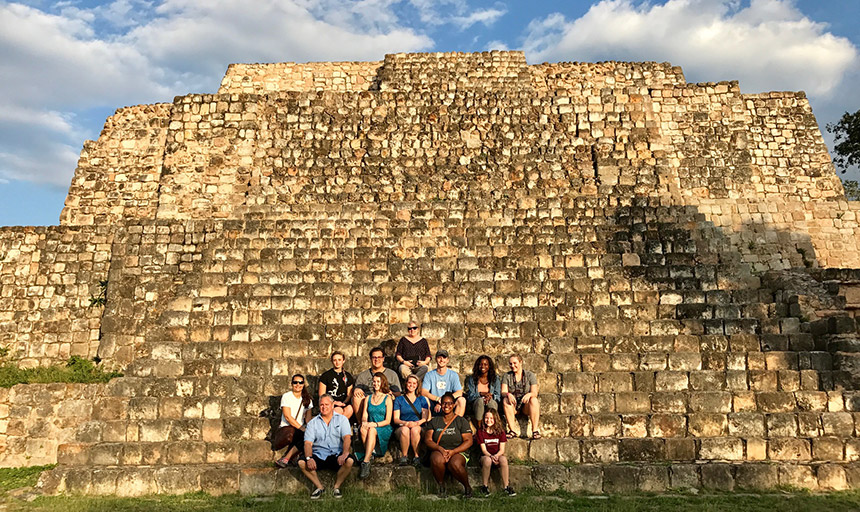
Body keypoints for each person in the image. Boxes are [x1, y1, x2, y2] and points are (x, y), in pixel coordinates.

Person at [297, 394, 354, 499]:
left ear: (332, 405)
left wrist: (345, 453)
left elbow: (347, 438)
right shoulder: (312, 423)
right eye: (321, 405)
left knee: (349, 461)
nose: (324, 407)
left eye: (327, 404)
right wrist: (309, 458)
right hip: (319, 454)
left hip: (336, 454)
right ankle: (319, 487)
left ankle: (336, 487)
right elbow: (308, 443)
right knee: (301, 462)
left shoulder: (342, 419)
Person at [423, 392, 474, 498]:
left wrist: (453, 451)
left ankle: (467, 487)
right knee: (437, 459)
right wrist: (440, 449)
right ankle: (441, 486)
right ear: (440, 404)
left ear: (454, 404)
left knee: (454, 463)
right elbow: (428, 440)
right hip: (439, 450)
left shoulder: (461, 421)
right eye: (444, 403)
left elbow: (469, 440)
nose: (447, 406)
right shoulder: (435, 421)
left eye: (450, 403)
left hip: (458, 451)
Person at [358, 372, 394, 479]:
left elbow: (388, 420)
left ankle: (366, 461)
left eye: (378, 381)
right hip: (371, 424)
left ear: (382, 383)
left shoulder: (387, 398)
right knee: (363, 429)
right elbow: (365, 414)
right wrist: (364, 422)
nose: (376, 384)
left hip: (383, 427)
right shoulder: (368, 398)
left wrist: (375, 424)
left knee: (372, 430)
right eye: (374, 381)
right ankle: (371, 454)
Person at [273, 373, 314, 467]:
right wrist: (302, 428)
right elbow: (288, 417)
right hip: (288, 427)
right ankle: (289, 458)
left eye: (300, 382)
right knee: (303, 435)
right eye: (295, 382)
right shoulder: (287, 397)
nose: (298, 385)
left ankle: (286, 458)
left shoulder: (308, 400)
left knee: (309, 436)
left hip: (300, 428)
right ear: (291, 384)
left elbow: (308, 419)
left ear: (303, 384)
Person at [476, 409, 516, 496]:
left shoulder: (500, 432)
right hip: (486, 455)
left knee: (504, 460)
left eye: (491, 418)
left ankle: (506, 486)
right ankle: (484, 486)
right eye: (486, 418)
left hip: (497, 454)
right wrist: (491, 456)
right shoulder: (480, 431)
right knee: (487, 460)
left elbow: (502, 450)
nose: (488, 420)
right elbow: (484, 450)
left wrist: (496, 456)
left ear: (495, 419)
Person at [352, 347, 402, 417]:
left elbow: (398, 394)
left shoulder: (392, 374)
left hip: (384, 400)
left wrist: (389, 392)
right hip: (368, 401)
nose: (377, 359)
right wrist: (357, 389)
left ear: (383, 358)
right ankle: (361, 424)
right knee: (356, 397)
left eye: (379, 357)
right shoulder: (363, 375)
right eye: (374, 357)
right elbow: (356, 388)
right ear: (370, 358)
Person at [393, 374, 430, 466]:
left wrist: (416, 423)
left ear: (417, 385)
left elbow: (424, 418)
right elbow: (396, 419)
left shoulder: (421, 399)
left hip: (417, 425)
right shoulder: (399, 399)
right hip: (402, 426)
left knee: (414, 430)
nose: (411, 385)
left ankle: (416, 456)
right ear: (406, 384)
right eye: (409, 382)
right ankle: (404, 456)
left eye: (414, 383)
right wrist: (406, 423)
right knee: (405, 430)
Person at [501, 354, 541, 439]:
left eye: (515, 363)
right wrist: (508, 394)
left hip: (525, 405)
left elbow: (535, 392)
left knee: (534, 400)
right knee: (505, 400)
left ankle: (535, 430)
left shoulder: (530, 375)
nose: (512, 366)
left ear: (520, 362)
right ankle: (512, 430)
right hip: (514, 406)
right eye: (510, 364)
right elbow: (503, 391)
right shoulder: (507, 376)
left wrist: (529, 394)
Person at [422, 349, 466, 417]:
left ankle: (456, 423)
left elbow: (459, 392)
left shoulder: (453, 375)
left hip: (449, 403)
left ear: (447, 360)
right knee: (424, 399)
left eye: (444, 357)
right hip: (434, 402)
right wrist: (438, 399)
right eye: (439, 357)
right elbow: (424, 392)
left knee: (462, 400)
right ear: (436, 359)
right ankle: (428, 424)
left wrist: (444, 401)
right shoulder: (429, 375)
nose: (442, 360)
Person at [318, 351, 355, 419]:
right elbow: (321, 394)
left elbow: (349, 394)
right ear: (331, 361)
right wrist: (334, 403)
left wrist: (343, 403)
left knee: (350, 409)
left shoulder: (348, 376)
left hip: (343, 403)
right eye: (335, 360)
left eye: (339, 360)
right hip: (331, 403)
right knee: (338, 410)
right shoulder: (325, 376)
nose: (337, 362)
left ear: (343, 361)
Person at [464, 355, 501, 422]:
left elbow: (498, 396)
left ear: (489, 366)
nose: (483, 366)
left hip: (490, 400)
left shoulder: (495, 379)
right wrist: (480, 394)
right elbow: (470, 396)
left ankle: (492, 427)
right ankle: (479, 427)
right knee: (480, 401)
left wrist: (491, 396)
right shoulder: (472, 379)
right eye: (481, 364)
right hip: (476, 402)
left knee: (491, 403)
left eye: (485, 364)